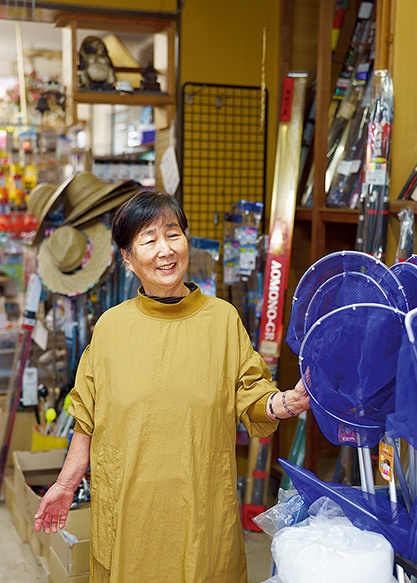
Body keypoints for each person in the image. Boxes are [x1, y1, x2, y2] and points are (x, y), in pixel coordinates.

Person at [34, 191, 310, 583]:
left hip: (201, 511)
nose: (165, 250)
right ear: (128, 259)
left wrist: (286, 402)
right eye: (148, 240)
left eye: (173, 234)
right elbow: (86, 418)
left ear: (186, 240)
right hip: (130, 514)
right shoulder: (111, 328)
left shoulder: (222, 320)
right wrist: (65, 484)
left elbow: (252, 395)